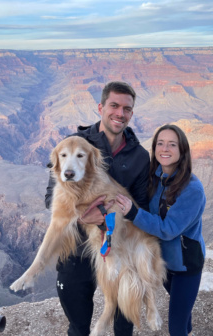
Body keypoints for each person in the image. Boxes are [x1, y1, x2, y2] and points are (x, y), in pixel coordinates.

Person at [45, 81, 150, 336]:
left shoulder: (139, 157)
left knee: (123, 325)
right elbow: (51, 198)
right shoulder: (75, 145)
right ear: (101, 107)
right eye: (114, 105)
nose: (120, 113)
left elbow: (141, 208)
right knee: (79, 327)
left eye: (127, 108)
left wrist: (104, 214)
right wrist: (83, 217)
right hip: (78, 252)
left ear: (131, 113)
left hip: (120, 251)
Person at [116, 124, 206, 336]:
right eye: (160, 143)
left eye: (172, 144)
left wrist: (132, 213)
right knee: (181, 311)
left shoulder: (192, 189)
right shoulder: (155, 177)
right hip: (162, 262)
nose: (165, 148)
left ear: (182, 150)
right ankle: (187, 328)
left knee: (176, 327)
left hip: (185, 266)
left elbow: (169, 229)